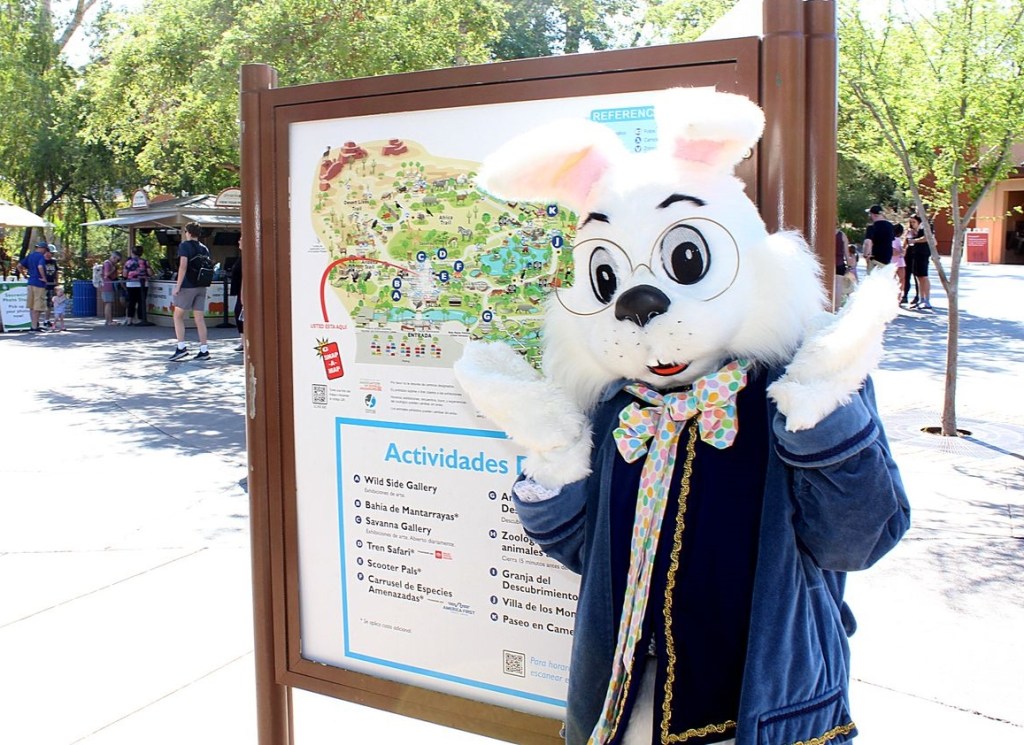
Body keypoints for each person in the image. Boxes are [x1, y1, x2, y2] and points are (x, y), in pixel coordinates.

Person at [169, 222, 211, 361]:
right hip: (201, 285)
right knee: (199, 319)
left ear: (188, 232)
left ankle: (181, 347)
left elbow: (183, 266)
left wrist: (177, 286)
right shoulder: (204, 248)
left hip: (187, 285)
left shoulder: (184, 246)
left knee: (178, 316)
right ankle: (204, 349)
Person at [18, 240, 49, 332]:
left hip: (30, 282)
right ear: (43, 249)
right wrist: (44, 277)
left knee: (31, 306)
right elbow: (40, 267)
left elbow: (19, 265)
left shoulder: (30, 256)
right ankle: (35, 327)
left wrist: (24, 275)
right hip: (39, 284)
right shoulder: (41, 257)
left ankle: (33, 325)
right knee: (37, 306)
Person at [906, 214, 932, 310]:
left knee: (924, 276)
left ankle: (927, 299)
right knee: (918, 277)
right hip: (915, 254)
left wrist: (914, 240)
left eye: (914, 222)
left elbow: (926, 238)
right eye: (911, 222)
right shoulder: (913, 231)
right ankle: (921, 298)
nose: (912, 224)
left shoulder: (925, 228)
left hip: (923, 254)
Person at [122, 246, 153, 325]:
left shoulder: (128, 262)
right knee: (141, 301)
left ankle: (129, 319)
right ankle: (140, 319)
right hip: (143, 284)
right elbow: (150, 273)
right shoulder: (145, 262)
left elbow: (125, 274)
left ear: (132, 252)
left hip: (131, 284)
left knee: (131, 302)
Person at [862, 204, 895, 273]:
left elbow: (868, 242)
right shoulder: (890, 226)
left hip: (875, 258)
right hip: (886, 259)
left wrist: (866, 255)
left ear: (873, 214)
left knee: (873, 281)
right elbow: (892, 242)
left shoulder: (872, 227)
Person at [100, 250, 122, 325]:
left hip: (106, 284)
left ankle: (108, 320)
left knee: (108, 303)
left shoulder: (108, 263)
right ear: (114, 257)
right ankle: (109, 321)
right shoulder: (108, 264)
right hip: (107, 285)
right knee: (108, 303)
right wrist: (113, 270)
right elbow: (106, 274)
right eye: (117, 260)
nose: (117, 262)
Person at [229, 255, 243, 352]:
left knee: (240, 313)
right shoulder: (241, 257)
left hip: (242, 290)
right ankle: (243, 340)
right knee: (239, 314)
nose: (239, 242)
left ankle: (244, 341)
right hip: (239, 290)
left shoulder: (246, 257)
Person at [43, 245, 59, 328]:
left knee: (49, 303)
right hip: (42, 285)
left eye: (52, 253)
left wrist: (57, 281)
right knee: (40, 303)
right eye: (49, 253)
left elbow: (56, 271)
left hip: (51, 284)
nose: (50, 255)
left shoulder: (53, 261)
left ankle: (47, 320)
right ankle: (36, 321)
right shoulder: (41, 261)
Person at [892, 223, 906, 304]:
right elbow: (894, 251)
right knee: (901, 279)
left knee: (897, 279)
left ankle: (898, 296)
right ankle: (898, 296)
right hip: (897, 261)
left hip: (896, 261)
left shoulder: (895, 239)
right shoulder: (895, 240)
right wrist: (901, 251)